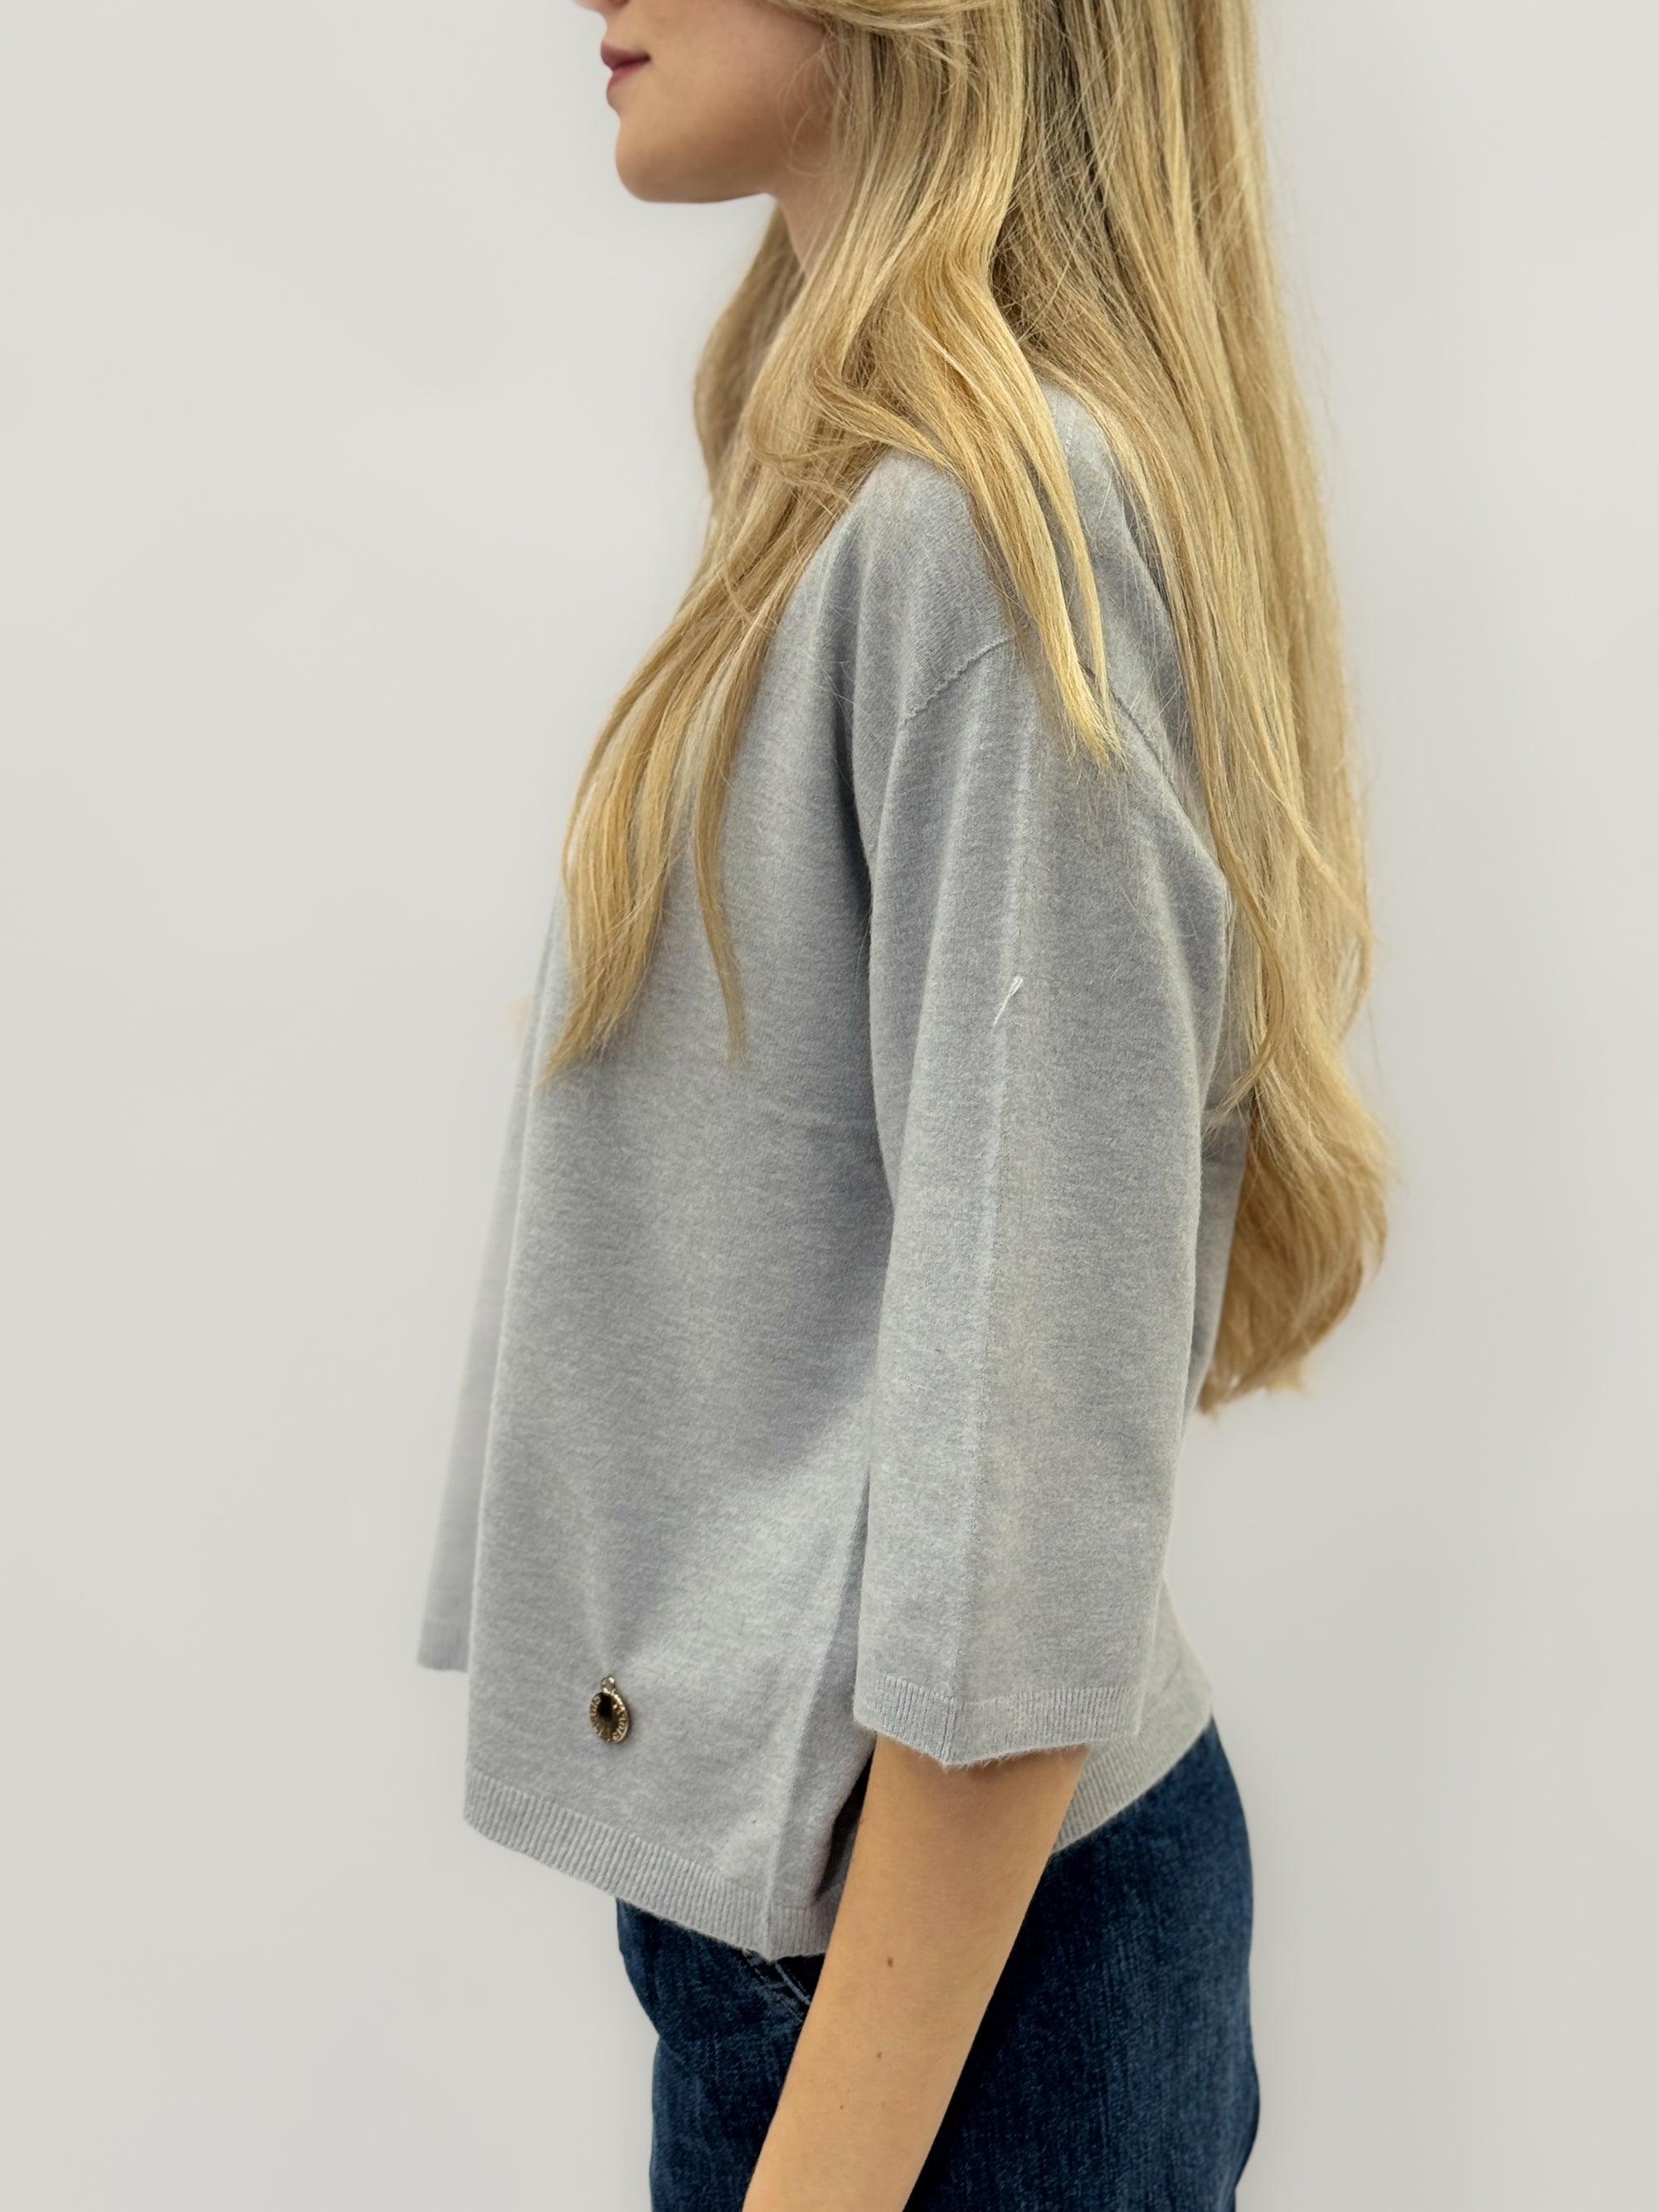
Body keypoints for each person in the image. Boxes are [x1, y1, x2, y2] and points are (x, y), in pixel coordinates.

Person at [416, 0, 1389, 2202]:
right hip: (884, 1954)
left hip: (956, 1991)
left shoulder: (987, 536)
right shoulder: (869, 499)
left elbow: (1017, 1550)